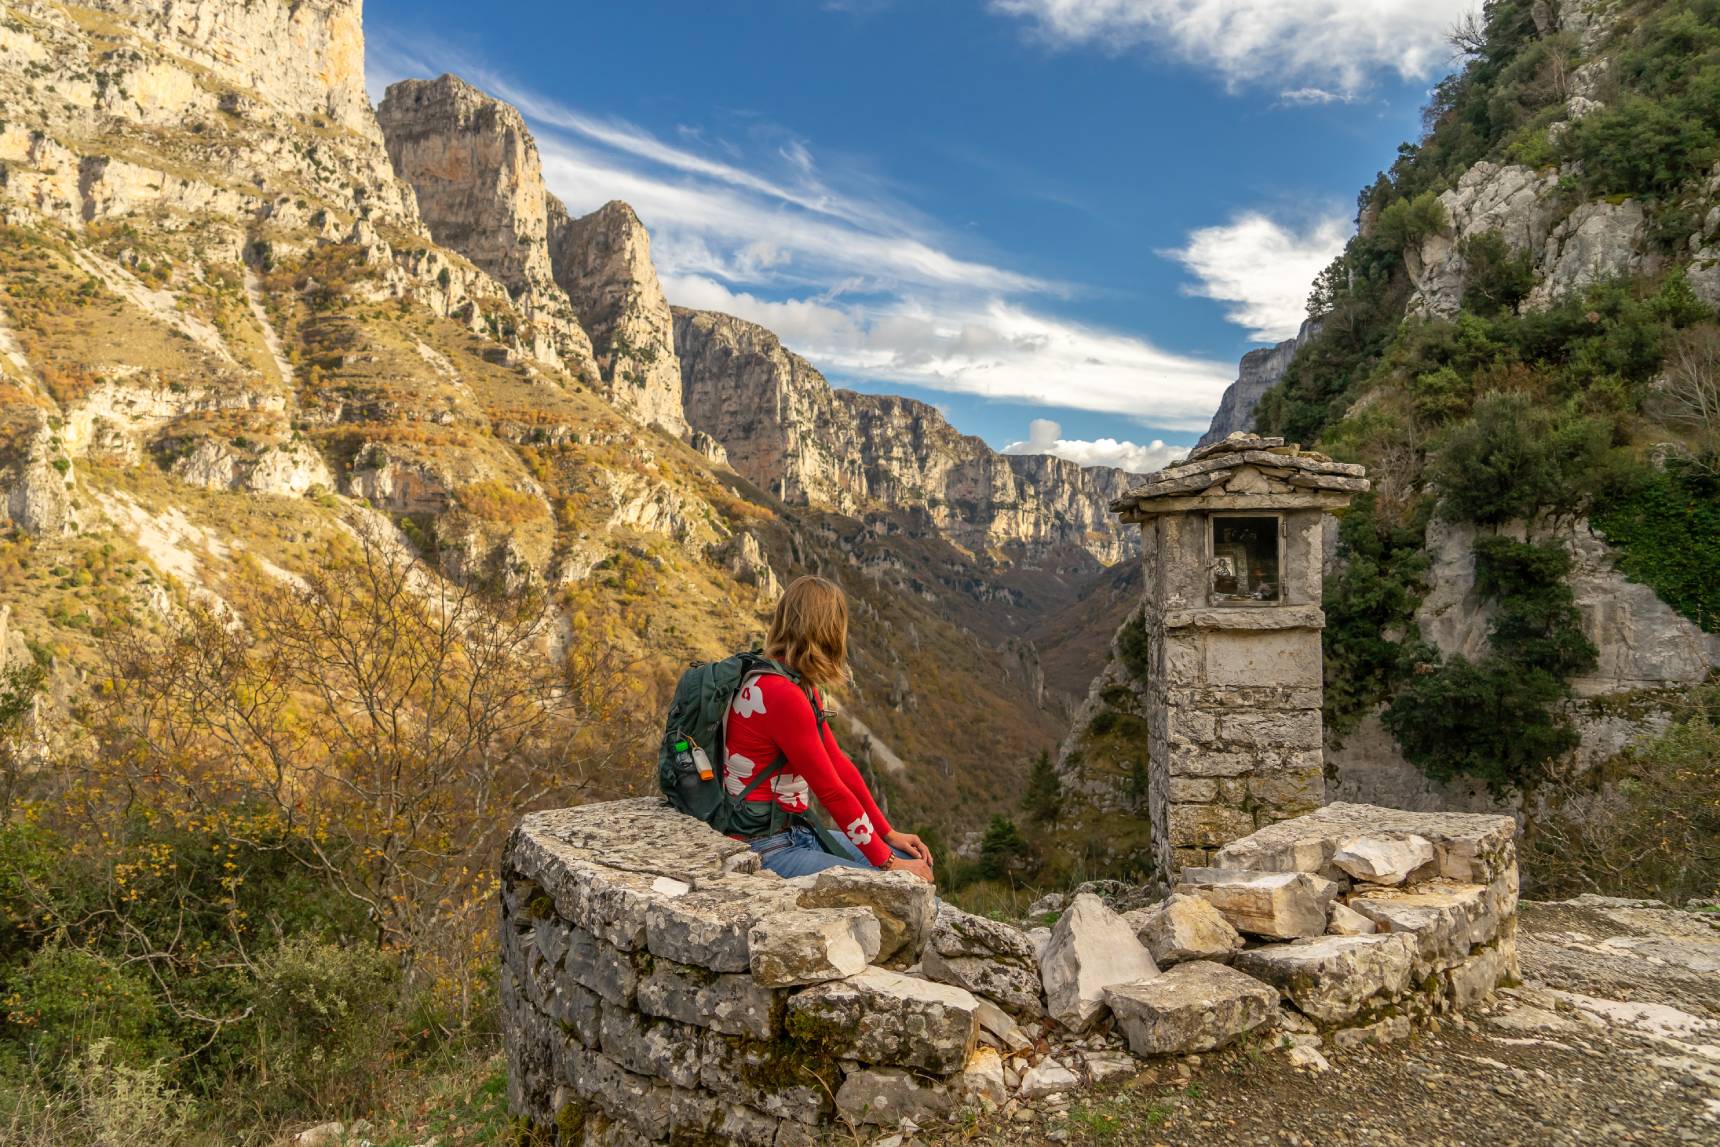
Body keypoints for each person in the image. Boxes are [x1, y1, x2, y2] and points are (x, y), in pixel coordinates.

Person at [724, 575, 935, 883]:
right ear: (829, 631)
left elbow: (839, 766)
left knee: (913, 861)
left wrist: (886, 834)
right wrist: (888, 864)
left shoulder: (794, 683)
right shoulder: (783, 694)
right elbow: (832, 791)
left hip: (794, 831)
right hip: (765, 846)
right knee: (908, 886)